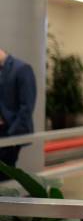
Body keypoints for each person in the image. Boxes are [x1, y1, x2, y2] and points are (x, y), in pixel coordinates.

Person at [0, 48, 36, 179]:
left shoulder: (22, 69)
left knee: (5, 174)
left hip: (11, 131)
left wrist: (13, 135)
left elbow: (27, 107)